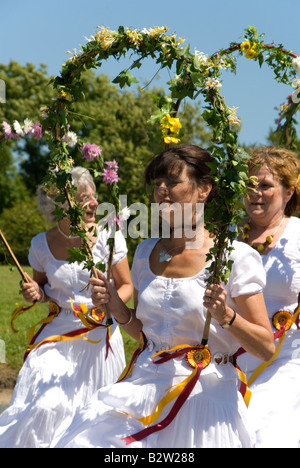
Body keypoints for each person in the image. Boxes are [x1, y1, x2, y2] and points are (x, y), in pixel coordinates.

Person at [53, 145, 275, 449]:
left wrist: (227, 317)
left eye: (171, 182)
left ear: (204, 190)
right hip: (145, 384)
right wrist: (116, 307)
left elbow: (265, 347)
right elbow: (145, 334)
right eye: (156, 183)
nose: (161, 190)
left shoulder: (235, 257)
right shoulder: (145, 252)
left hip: (205, 395)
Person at [0, 166, 133, 448]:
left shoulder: (110, 238)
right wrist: (35, 293)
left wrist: (110, 301)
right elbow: (42, 292)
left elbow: (126, 286)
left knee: (94, 419)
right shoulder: (40, 245)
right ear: (62, 206)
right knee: (45, 407)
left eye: (94, 196)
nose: (95, 204)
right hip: (58, 338)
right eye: (85, 199)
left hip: (100, 338)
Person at [236, 146, 300, 448]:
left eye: (265, 185)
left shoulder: (298, 237)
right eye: (249, 184)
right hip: (228, 361)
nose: (255, 192)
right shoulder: (226, 238)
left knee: (262, 434)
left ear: (288, 192)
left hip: (284, 364)